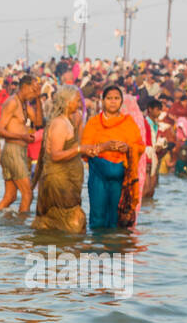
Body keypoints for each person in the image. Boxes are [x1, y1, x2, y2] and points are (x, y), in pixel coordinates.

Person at [81, 85, 145, 229]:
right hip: (98, 176)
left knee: (116, 220)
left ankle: (114, 249)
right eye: (109, 98)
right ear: (103, 101)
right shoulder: (93, 123)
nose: (113, 102)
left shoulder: (128, 123)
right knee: (97, 219)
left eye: (116, 98)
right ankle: (97, 248)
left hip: (120, 178)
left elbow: (140, 146)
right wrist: (105, 147)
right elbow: (84, 150)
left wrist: (128, 148)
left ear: (121, 101)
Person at [33, 85, 92, 233]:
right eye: (77, 101)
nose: (79, 104)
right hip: (58, 182)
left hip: (64, 181)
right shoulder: (60, 124)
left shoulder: (68, 120)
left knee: (57, 226)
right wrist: (80, 149)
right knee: (75, 223)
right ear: (67, 101)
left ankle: (57, 252)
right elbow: (55, 155)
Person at [0, 75, 39, 212]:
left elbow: (38, 122)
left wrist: (38, 98)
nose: (35, 91)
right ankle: (22, 231)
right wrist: (22, 136)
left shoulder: (24, 104)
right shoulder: (12, 102)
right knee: (28, 194)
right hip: (12, 150)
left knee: (10, 197)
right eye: (34, 88)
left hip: (18, 151)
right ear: (25, 87)